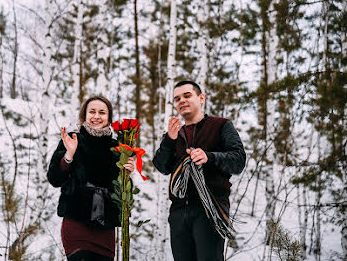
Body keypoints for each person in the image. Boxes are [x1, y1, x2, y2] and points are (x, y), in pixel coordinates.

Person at [152, 80, 246, 261]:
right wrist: (169, 141)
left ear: (201, 98)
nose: (182, 101)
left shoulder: (221, 125)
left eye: (187, 96)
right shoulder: (173, 134)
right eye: (177, 98)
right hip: (179, 213)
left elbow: (239, 160)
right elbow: (161, 166)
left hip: (210, 210)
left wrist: (209, 157)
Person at [47, 95, 135, 261]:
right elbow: (54, 179)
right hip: (77, 223)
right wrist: (69, 155)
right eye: (92, 111)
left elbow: (121, 191)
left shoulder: (117, 147)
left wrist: (127, 174)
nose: (96, 116)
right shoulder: (73, 139)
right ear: (84, 115)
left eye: (102, 112)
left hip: (105, 227)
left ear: (108, 117)